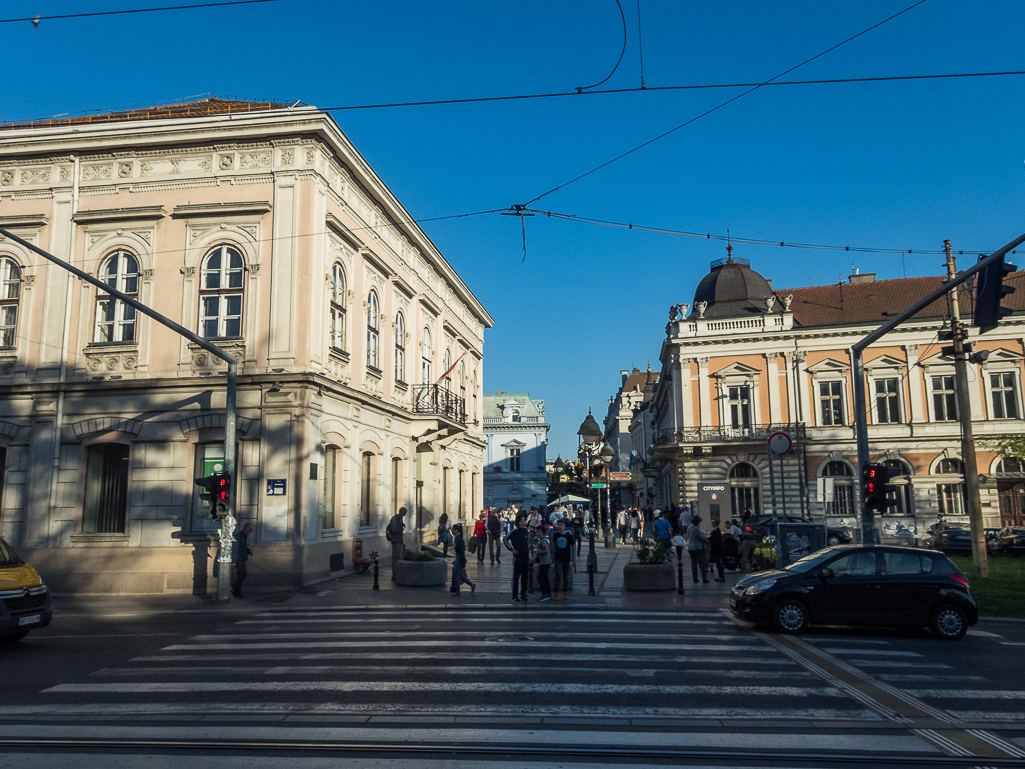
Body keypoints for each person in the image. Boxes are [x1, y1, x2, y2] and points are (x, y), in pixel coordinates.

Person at [504, 514, 531, 602]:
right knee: (516, 576)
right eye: (524, 520)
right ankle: (514, 595)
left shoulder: (526, 531)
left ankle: (523, 594)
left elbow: (527, 542)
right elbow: (505, 539)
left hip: (525, 556)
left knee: (525, 576)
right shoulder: (515, 531)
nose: (525, 521)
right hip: (518, 557)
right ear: (519, 522)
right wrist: (511, 549)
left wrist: (530, 547)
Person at [551, 518, 574, 599]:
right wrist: (553, 556)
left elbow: (573, 546)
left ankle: (565, 592)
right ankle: (556, 592)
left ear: (564, 526)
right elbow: (553, 545)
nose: (560, 527)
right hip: (558, 557)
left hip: (566, 557)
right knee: (557, 575)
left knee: (565, 576)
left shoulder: (568, 536)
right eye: (558, 525)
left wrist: (573, 559)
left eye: (561, 525)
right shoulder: (556, 535)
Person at [450, 523, 476, 595]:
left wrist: (462, 560)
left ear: (456, 530)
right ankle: (472, 585)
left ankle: (457, 591)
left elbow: (461, 551)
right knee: (460, 576)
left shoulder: (459, 539)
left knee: (457, 575)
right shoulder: (457, 539)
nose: (452, 531)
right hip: (459, 558)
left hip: (459, 559)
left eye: (453, 530)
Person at [231, 522, 253, 598]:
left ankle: (237, 592)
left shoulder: (243, 536)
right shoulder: (238, 536)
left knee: (240, 575)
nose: (250, 532)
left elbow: (242, 547)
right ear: (246, 528)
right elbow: (235, 548)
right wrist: (233, 561)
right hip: (238, 559)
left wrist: (248, 551)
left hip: (241, 558)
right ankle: (232, 587)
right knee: (243, 574)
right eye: (250, 530)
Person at [687, 514, 709, 583]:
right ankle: (704, 578)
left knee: (693, 564)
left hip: (690, 547)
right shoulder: (696, 529)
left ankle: (695, 578)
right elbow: (702, 538)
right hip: (697, 547)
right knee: (701, 563)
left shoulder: (689, 527)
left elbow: (688, 535)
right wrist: (705, 535)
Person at [386, 507, 407, 580]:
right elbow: (394, 529)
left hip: (399, 540)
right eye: (404, 513)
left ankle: (398, 573)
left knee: (399, 557)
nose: (404, 515)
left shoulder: (400, 519)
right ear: (400, 512)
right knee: (396, 558)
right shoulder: (395, 519)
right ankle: (395, 574)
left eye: (405, 514)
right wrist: (401, 529)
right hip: (396, 541)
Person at [534, 524, 552, 601]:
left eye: (539, 532)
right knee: (545, 578)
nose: (538, 533)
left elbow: (546, 550)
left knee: (540, 578)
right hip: (545, 561)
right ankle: (548, 594)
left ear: (543, 532)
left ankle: (545, 594)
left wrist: (537, 552)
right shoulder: (542, 540)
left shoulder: (544, 540)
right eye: (537, 532)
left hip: (545, 562)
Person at [708, 518, 726, 582]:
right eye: (711, 523)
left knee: (718, 563)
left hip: (717, 549)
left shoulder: (716, 530)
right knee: (718, 563)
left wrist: (708, 539)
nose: (712, 524)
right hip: (716, 549)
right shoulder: (715, 530)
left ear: (716, 524)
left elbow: (715, 540)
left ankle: (721, 576)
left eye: (713, 523)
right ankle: (720, 576)